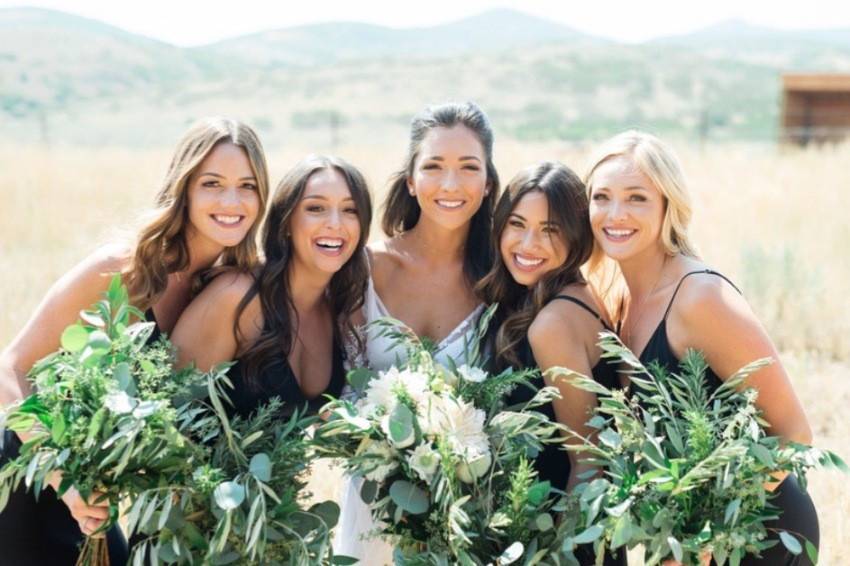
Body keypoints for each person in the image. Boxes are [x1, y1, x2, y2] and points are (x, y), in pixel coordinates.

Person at [0, 117, 268, 565]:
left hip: (97, 501)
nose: (231, 201)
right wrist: (61, 476)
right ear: (183, 189)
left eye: (247, 186)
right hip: (26, 474)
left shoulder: (224, 287)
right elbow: (12, 366)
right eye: (212, 183)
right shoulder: (122, 270)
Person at [585, 130, 818, 566]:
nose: (616, 213)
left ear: (667, 205)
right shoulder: (613, 299)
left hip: (757, 534)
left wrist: (705, 537)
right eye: (602, 197)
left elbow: (794, 433)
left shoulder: (699, 297)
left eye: (637, 198)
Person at [334, 101, 500, 565]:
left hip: (466, 517)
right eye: (434, 167)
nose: (451, 184)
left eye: (469, 167)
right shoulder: (364, 268)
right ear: (411, 179)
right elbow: (338, 393)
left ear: (488, 184)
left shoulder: (501, 281)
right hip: (372, 510)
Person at [477, 161, 623, 566]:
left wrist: (560, 553)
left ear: (576, 236)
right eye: (517, 224)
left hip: (568, 544)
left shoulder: (553, 323)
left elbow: (589, 461)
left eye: (550, 230)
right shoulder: (552, 299)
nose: (528, 243)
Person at [169, 154, 372, 422]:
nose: (335, 223)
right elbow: (167, 414)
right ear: (286, 221)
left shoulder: (341, 307)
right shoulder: (236, 297)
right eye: (315, 208)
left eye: (350, 210)